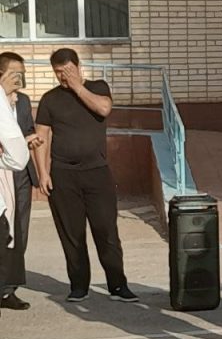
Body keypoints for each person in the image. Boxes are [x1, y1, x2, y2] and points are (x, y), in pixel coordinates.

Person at [35, 48, 137, 304]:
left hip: (97, 173)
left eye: (67, 71)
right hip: (63, 174)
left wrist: (77, 87)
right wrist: (43, 173)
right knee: (72, 234)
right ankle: (79, 285)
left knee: (106, 230)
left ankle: (117, 285)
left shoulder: (97, 87)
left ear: (78, 66)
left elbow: (104, 109)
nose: (63, 77)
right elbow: (41, 137)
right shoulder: (49, 99)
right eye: (58, 72)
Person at [0, 52, 44, 311]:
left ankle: (8, 289)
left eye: (22, 73)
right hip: (3, 172)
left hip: (21, 174)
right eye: (15, 73)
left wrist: (31, 141)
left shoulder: (23, 101)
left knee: (19, 232)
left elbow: (27, 131)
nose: (20, 78)